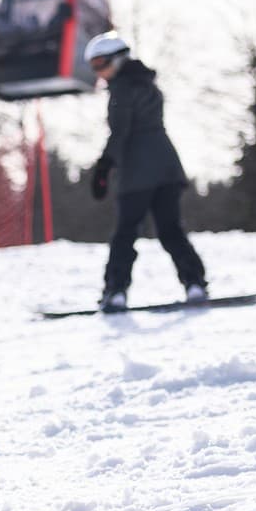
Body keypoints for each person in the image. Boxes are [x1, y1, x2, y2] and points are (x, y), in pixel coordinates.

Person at [85, 32, 208, 312]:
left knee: (126, 232)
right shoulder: (148, 84)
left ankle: (116, 290)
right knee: (170, 229)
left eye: (101, 63)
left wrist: (105, 165)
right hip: (167, 167)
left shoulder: (122, 89)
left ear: (119, 59)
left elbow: (121, 131)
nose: (99, 72)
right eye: (94, 66)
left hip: (138, 173)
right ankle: (195, 283)